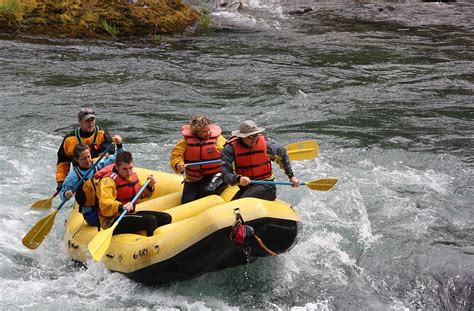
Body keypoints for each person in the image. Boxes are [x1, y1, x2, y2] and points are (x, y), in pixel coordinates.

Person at [95, 151, 172, 236]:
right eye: (125, 169)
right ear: (117, 167)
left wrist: (149, 186)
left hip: (130, 214)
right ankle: (153, 244)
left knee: (166, 217)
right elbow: (105, 203)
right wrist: (121, 207)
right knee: (150, 220)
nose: (129, 172)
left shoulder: (132, 176)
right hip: (112, 219)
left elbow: (142, 194)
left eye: (130, 168)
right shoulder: (108, 181)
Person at [221, 120, 300, 201]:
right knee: (233, 205)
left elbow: (283, 154)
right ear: (242, 136)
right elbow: (225, 174)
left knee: (242, 202)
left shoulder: (267, 144)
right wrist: (238, 179)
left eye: (255, 136)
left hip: (267, 186)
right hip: (246, 188)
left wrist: (291, 177)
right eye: (249, 137)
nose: (253, 139)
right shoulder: (230, 149)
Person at [59, 135, 124, 227]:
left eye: (88, 156)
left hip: (106, 207)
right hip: (91, 214)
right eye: (84, 158)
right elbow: (62, 195)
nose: (88, 160)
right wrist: (66, 194)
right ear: (77, 159)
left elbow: (119, 158)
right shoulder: (73, 177)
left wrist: (119, 145)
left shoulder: (98, 165)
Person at [170, 114, 227, 204]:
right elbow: (176, 155)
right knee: (187, 201)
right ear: (196, 132)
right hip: (194, 178)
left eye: (209, 130)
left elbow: (228, 152)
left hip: (215, 173)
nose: (208, 133)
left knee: (208, 191)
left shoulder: (217, 139)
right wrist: (178, 165)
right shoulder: (185, 142)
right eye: (204, 131)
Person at [56, 107, 115, 193]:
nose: (91, 123)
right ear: (79, 121)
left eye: (92, 120)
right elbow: (63, 162)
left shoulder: (103, 134)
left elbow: (109, 158)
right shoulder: (69, 139)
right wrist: (61, 181)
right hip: (81, 178)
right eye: (87, 121)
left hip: (101, 176)